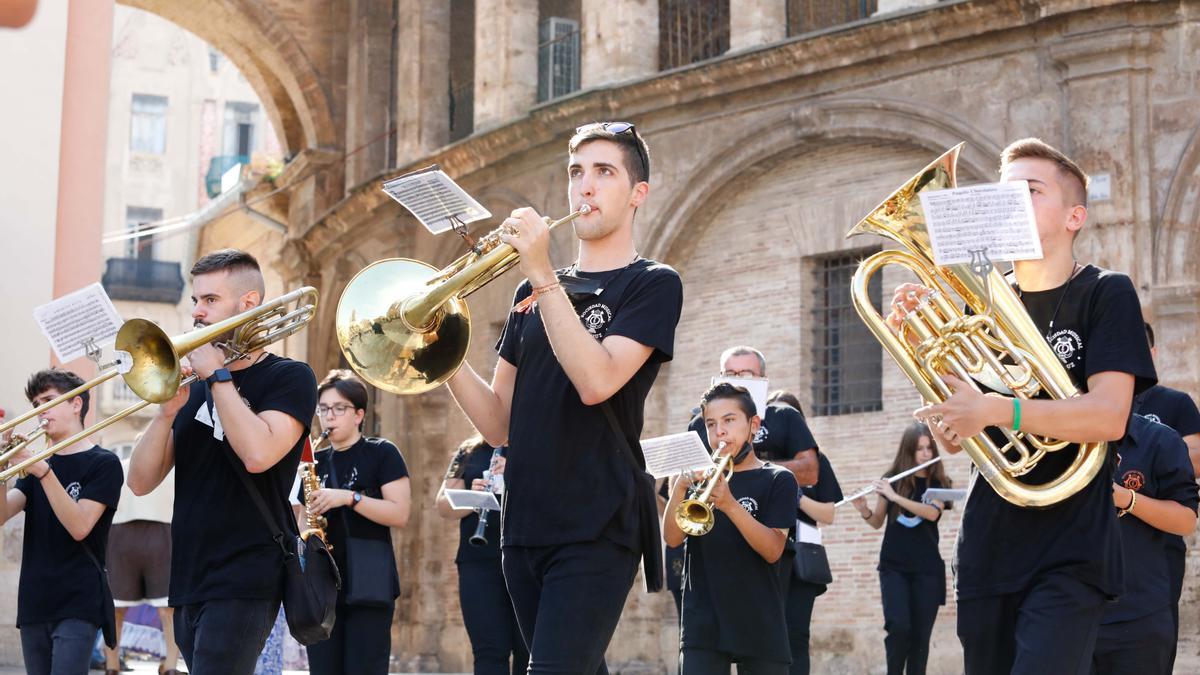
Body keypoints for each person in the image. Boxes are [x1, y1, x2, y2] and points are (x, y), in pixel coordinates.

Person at [891, 138, 1158, 674]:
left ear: (1074, 216)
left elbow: (1108, 415)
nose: (1012, 201)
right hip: (989, 543)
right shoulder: (975, 303)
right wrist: (922, 350)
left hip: (1071, 547)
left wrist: (1001, 411)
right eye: (1004, 192)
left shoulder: (1106, 293)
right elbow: (955, 434)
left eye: (1030, 191)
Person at [444, 120, 683, 673]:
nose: (586, 187)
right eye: (576, 172)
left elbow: (597, 381)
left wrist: (541, 271)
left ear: (637, 193)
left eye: (604, 172)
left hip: (597, 519)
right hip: (524, 521)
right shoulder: (531, 290)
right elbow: (498, 425)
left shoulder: (651, 283)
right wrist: (439, 355)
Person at [127, 249, 318, 675]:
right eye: (196, 301)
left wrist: (218, 376)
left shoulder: (290, 377)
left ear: (247, 303)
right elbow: (139, 483)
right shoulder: (192, 385)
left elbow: (258, 454)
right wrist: (165, 414)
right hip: (190, 573)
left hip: (248, 572)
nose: (197, 312)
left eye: (210, 300)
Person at [664, 383, 797, 674]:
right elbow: (672, 538)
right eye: (711, 424)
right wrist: (680, 487)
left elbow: (774, 550)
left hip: (759, 619)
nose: (719, 432)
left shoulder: (778, 479)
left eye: (729, 420)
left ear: (754, 425)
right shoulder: (699, 480)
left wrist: (730, 505)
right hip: (703, 623)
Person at [0, 368, 123, 675]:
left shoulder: (104, 463)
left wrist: (43, 472)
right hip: (34, 600)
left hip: (78, 600)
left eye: (48, 400)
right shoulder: (37, 466)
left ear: (76, 404)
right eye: (36, 404)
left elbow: (80, 526)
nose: (40, 410)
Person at [295, 369, 410, 675]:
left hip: (369, 584)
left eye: (339, 408)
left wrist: (349, 498)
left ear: (359, 414)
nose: (328, 417)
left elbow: (400, 513)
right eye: (323, 409)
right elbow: (298, 526)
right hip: (323, 589)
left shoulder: (382, 453)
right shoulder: (312, 463)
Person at [1091, 414, 1197, 673]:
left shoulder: (1159, 439)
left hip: (1138, 615)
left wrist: (1126, 498)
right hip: (1062, 615)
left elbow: (1185, 520)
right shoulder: (1048, 439)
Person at [852, 423, 951, 675]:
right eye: (920, 449)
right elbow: (877, 521)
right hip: (894, 567)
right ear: (908, 451)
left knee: (920, 639)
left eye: (929, 448)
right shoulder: (892, 478)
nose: (926, 454)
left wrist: (895, 497)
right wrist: (863, 509)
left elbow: (932, 513)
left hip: (927, 569)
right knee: (899, 628)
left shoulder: (939, 482)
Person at [1135, 321, 1200, 668]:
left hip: (1160, 543)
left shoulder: (1175, 403)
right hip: (1101, 539)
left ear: (1153, 353)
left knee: (1155, 641)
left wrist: (1138, 464)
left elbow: (1196, 459)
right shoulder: (1092, 401)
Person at [436, 436, 529, 674]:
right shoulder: (467, 450)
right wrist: (474, 496)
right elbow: (442, 505)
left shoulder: (535, 443)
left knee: (529, 651)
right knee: (488, 651)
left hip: (527, 558)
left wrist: (517, 474)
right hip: (477, 561)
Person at [687, 347, 819, 487]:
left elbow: (810, 472)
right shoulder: (699, 423)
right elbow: (682, 479)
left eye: (746, 374)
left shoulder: (785, 415)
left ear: (763, 379)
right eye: (729, 374)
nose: (736, 380)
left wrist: (749, 468)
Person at [104, 456, 179, 675]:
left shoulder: (120, 465)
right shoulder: (172, 468)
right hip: (162, 534)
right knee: (167, 610)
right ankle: (172, 666)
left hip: (120, 536)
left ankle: (111, 665)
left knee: (116, 609)